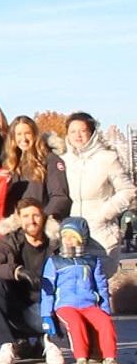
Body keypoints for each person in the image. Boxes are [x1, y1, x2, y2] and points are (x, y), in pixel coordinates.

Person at [0, 198, 62, 364]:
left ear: (44, 217)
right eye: (25, 216)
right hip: (16, 308)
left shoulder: (55, 242)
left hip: (46, 307)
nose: (31, 221)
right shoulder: (10, 241)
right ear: (18, 218)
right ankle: (6, 345)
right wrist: (16, 271)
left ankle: (49, 340)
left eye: (36, 215)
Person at [41, 217, 129, 364]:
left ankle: (109, 360)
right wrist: (46, 315)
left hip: (89, 304)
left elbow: (101, 286)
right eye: (65, 236)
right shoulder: (55, 262)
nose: (68, 240)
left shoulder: (92, 261)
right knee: (75, 324)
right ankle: (81, 360)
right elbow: (47, 289)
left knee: (105, 322)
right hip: (66, 305)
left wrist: (104, 309)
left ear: (82, 239)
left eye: (73, 236)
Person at [62, 112, 136, 278]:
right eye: (73, 131)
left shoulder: (107, 158)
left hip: (102, 233)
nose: (78, 135)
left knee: (102, 282)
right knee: (77, 284)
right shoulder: (64, 161)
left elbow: (127, 190)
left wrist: (105, 213)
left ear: (92, 132)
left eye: (82, 131)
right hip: (72, 234)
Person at [2, 115, 71, 220]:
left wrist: (42, 219)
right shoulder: (9, 164)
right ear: (13, 137)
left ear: (34, 135)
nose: (23, 139)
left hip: (40, 222)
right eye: (19, 134)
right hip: (15, 224)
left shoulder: (50, 160)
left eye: (27, 133)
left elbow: (59, 197)